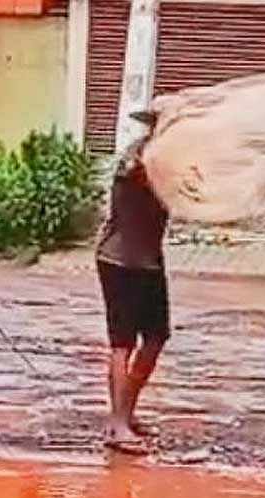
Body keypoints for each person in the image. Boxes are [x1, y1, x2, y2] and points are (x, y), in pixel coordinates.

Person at [96, 110, 171, 452]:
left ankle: (126, 409)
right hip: (120, 259)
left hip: (149, 259)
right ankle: (118, 423)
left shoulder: (169, 161)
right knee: (122, 342)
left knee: (156, 337)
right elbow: (136, 174)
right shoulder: (139, 156)